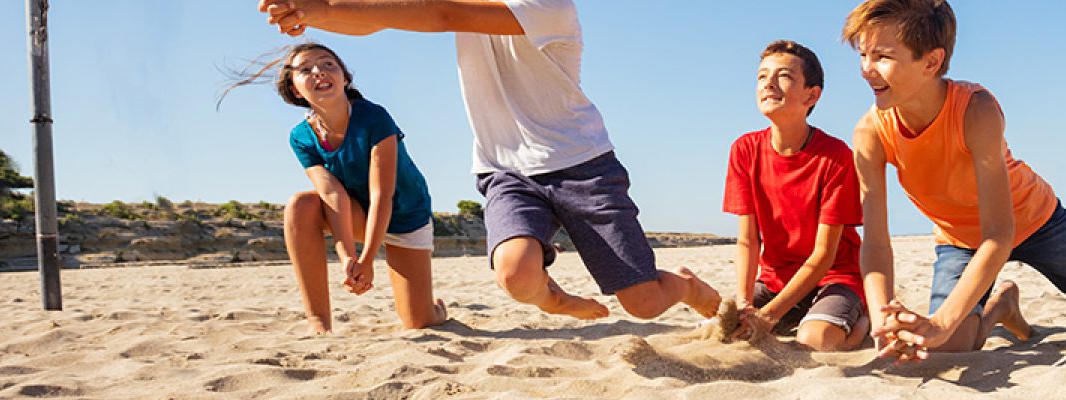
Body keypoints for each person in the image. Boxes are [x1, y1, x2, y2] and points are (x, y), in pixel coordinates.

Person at [256, 0, 721, 321]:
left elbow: (440, 14)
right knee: (515, 275)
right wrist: (314, 11)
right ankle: (554, 298)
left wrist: (320, 10)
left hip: (582, 163)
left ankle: (688, 286)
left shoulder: (549, 8)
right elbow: (381, 17)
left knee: (643, 303)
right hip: (506, 169)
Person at [842, 0, 1066, 361]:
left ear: (931, 62)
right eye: (863, 55)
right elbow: (876, 243)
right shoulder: (870, 132)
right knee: (948, 347)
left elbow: (999, 234)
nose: (866, 70)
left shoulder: (975, 109)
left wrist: (942, 321)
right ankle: (1003, 307)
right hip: (960, 240)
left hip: (1035, 221)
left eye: (882, 56)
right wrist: (882, 321)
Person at [226, 43, 447, 334]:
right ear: (295, 90)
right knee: (300, 206)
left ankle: (436, 309)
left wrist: (367, 260)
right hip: (357, 215)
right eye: (306, 69)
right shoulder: (301, 137)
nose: (319, 72)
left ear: (345, 78)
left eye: (328, 64)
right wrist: (348, 257)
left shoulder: (374, 117)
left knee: (419, 321)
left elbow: (382, 194)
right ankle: (319, 323)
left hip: (404, 216)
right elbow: (332, 195)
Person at [722, 40, 869, 351]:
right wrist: (746, 304)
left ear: (811, 95)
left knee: (816, 340)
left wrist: (769, 316)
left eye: (784, 76)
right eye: (762, 76)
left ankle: (862, 320)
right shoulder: (744, 150)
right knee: (727, 331)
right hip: (776, 281)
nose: (769, 83)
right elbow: (748, 241)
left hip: (834, 277)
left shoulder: (836, 156)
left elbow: (824, 255)